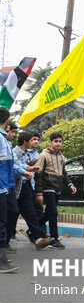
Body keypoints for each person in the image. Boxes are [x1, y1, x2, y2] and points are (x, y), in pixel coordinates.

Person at [35, 131, 77, 249]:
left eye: (60, 141)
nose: (58, 144)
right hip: (48, 187)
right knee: (53, 213)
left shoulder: (61, 156)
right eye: (56, 141)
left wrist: (70, 184)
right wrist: (39, 193)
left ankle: (33, 229)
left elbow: (64, 174)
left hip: (57, 187)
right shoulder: (43, 155)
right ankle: (54, 239)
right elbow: (38, 175)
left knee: (49, 212)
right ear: (50, 142)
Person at [13, 131, 51, 249]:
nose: (34, 142)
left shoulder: (32, 153)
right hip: (15, 186)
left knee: (31, 212)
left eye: (36, 140)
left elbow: (20, 165)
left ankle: (39, 237)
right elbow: (15, 166)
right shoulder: (14, 152)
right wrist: (28, 168)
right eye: (32, 140)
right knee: (12, 213)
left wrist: (30, 167)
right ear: (25, 142)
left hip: (28, 185)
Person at [0, 110, 22, 272]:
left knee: (5, 219)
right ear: (7, 120)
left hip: (5, 187)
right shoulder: (1, 139)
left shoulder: (3, 139)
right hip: (1, 187)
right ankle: (2, 261)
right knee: (1, 224)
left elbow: (9, 165)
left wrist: (26, 168)